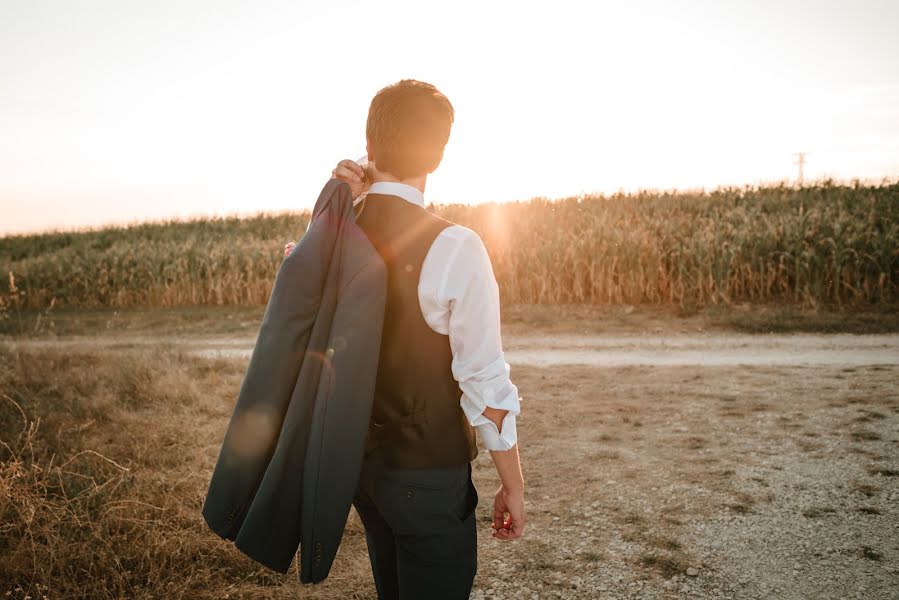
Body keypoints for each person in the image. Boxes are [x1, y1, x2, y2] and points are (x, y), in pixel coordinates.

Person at [288, 79, 525, 600]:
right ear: (438, 156)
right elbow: (483, 380)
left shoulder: (329, 232)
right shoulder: (456, 246)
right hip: (428, 476)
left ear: (368, 146)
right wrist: (512, 482)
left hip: (360, 469)